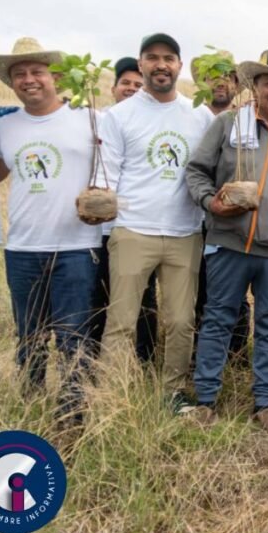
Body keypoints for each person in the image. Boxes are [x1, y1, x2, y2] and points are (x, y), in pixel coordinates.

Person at [186, 48, 268, 434]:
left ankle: (265, 405)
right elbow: (196, 171)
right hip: (228, 243)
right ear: (255, 87)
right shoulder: (229, 123)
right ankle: (206, 401)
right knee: (217, 321)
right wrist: (210, 202)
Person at [0, 37, 102, 425]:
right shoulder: (3, 125)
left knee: (74, 336)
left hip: (77, 247)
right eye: (19, 74)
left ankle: (73, 414)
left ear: (55, 76)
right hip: (22, 247)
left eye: (37, 71)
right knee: (30, 336)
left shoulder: (88, 119)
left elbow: (113, 168)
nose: (28, 79)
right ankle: (32, 404)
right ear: (11, 82)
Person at [99, 33, 213, 411]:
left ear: (180, 65)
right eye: (152, 58)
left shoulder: (199, 115)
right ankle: (114, 392)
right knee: (122, 321)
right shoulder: (120, 115)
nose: (160, 64)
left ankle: (173, 393)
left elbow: (211, 168)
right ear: (141, 63)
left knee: (180, 321)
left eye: (168, 58)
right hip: (133, 230)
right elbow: (107, 175)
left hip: (185, 233)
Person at [87, 56, 160, 363]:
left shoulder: (141, 122)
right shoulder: (93, 119)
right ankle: (95, 360)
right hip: (95, 230)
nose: (131, 89)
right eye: (125, 83)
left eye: (137, 84)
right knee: (99, 296)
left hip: (131, 226)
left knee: (142, 298)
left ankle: (145, 361)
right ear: (113, 87)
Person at [189, 49, 251, 363]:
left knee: (236, 294)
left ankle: (237, 357)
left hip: (233, 223)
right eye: (213, 76)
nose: (220, 83)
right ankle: (201, 356)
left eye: (227, 76)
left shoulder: (245, 120)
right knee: (201, 291)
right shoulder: (191, 117)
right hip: (195, 219)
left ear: (236, 83)